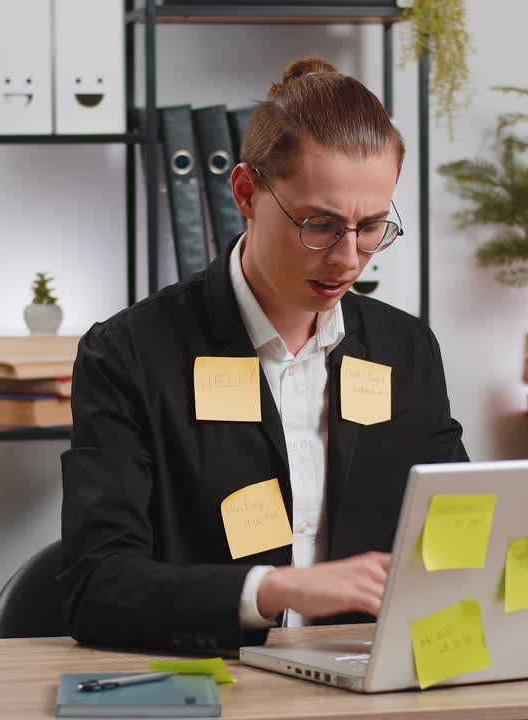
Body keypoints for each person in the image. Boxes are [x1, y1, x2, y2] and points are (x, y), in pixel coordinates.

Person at [60, 56, 468, 653]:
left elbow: (458, 530)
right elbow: (98, 587)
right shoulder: (128, 356)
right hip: (216, 686)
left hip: (370, 685)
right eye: (320, 225)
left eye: (373, 226)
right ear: (246, 192)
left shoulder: (406, 351)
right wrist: (277, 589)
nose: (348, 258)